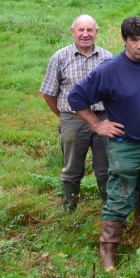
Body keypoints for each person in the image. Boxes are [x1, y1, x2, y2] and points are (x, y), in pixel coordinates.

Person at [68, 17, 140, 271]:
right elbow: (77, 98)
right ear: (124, 41)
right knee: (120, 196)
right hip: (125, 145)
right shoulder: (110, 69)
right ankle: (108, 250)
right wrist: (98, 125)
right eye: (134, 40)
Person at [40, 14, 113, 211]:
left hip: (103, 118)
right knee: (72, 168)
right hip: (72, 120)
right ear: (73, 32)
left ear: (96, 32)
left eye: (90, 30)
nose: (85, 34)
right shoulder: (60, 57)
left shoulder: (108, 58)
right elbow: (48, 94)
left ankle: (109, 207)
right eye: (81, 30)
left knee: (105, 168)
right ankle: (69, 207)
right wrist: (65, 117)